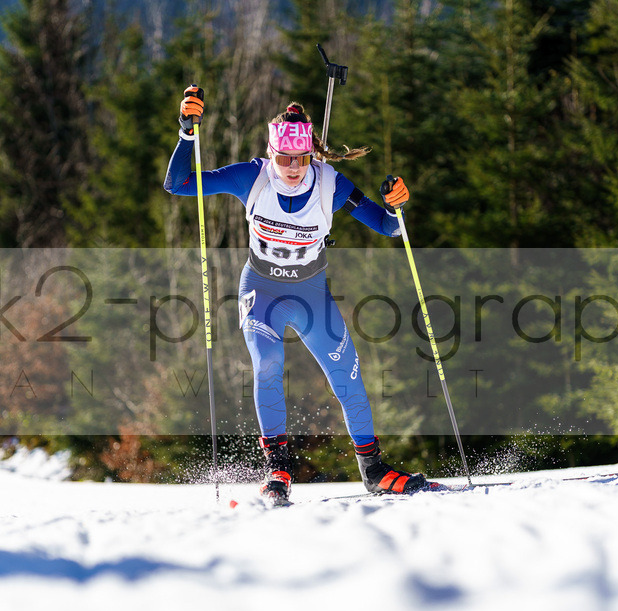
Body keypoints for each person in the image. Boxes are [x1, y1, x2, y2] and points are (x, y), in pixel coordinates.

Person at [164, 85, 427, 504]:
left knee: (348, 374)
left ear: (310, 156)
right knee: (268, 362)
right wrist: (186, 133)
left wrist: (397, 207)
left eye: (300, 159)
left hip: (311, 295)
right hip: (262, 291)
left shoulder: (331, 184)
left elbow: (388, 228)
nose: (291, 167)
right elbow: (177, 185)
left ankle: (374, 470)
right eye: (283, 158)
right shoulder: (252, 176)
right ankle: (278, 469)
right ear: (271, 154)